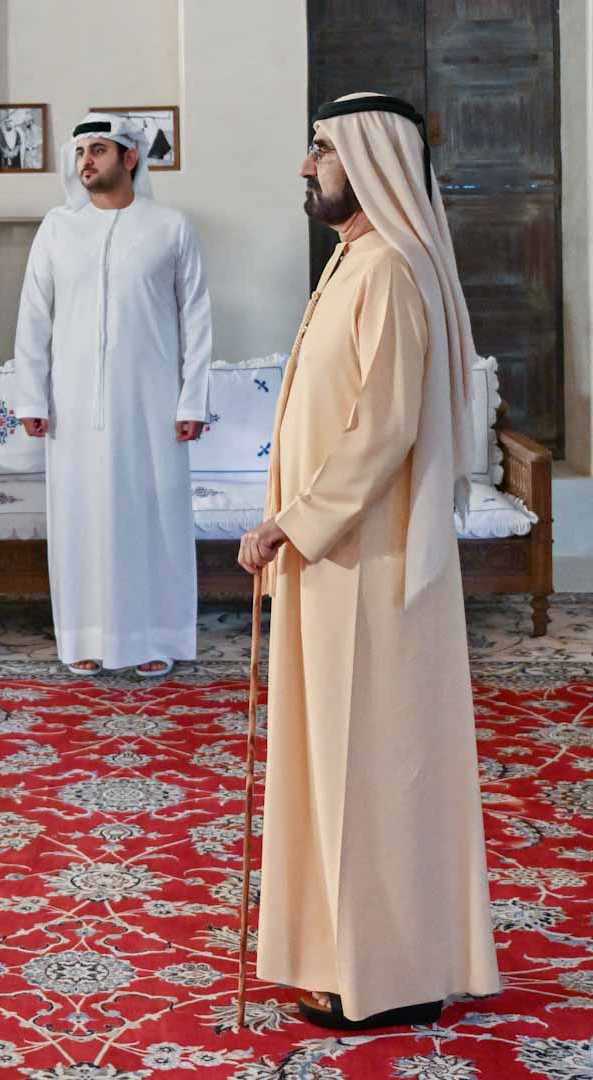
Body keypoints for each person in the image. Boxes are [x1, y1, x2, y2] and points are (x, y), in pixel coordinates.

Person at [238, 92, 500, 1030]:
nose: (307, 166)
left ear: (369, 158)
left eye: (322, 150)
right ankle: (356, 958)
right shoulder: (356, 260)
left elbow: (381, 429)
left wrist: (290, 523)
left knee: (373, 768)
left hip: (370, 564)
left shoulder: (389, 268)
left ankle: (387, 978)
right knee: (339, 766)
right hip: (334, 560)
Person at [13, 113, 213, 677]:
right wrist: (31, 396)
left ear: (129, 158)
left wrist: (192, 400)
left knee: (150, 516)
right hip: (74, 407)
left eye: (98, 150)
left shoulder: (171, 225)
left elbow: (196, 319)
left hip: (151, 403)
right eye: (80, 152)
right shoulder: (57, 227)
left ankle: (154, 637)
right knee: (81, 517)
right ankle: (86, 635)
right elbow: (33, 315)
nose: (86, 162)